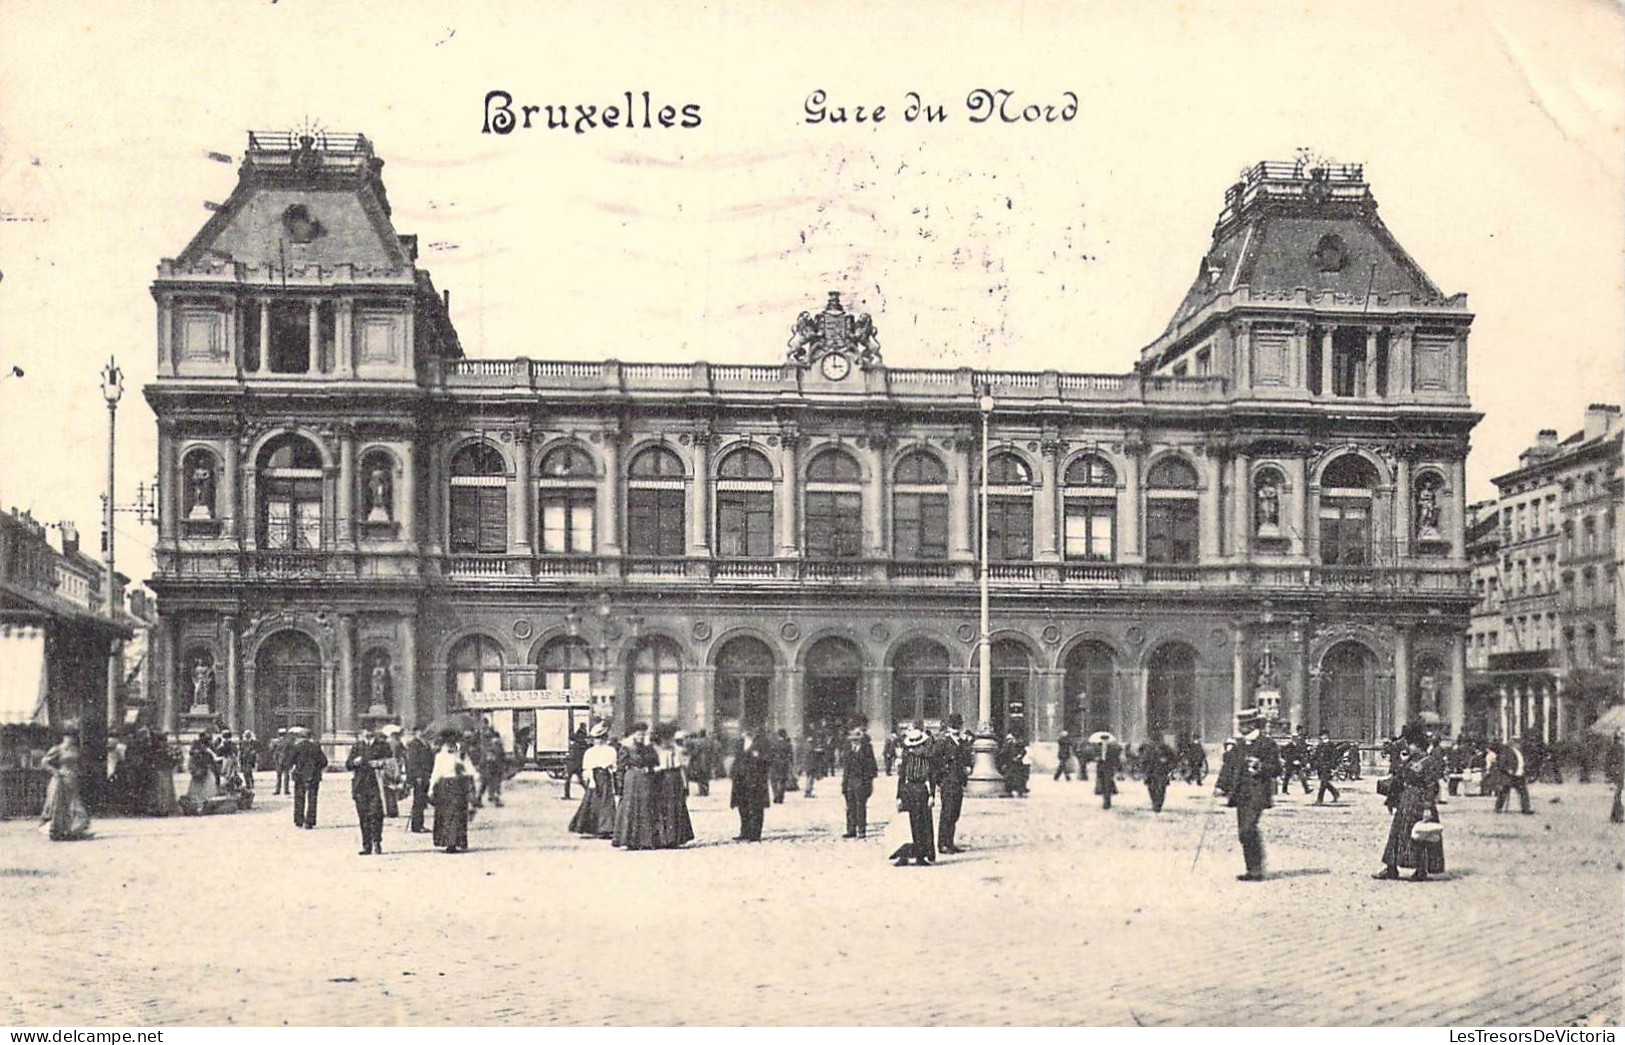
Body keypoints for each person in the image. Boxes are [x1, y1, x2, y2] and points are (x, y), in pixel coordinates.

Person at [1374, 722, 1447, 882]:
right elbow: (1399, 779)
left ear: (1417, 745)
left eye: (1410, 744)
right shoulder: (1410, 760)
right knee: (1398, 835)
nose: (1408, 746)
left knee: (1419, 837)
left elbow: (1431, 786)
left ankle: (1420, 870)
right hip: (1406, 800)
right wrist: (1391, 799)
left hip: (1419, 802)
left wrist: (1428, 807)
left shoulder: (1427, 762)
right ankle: (1392, 868)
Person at [1213, 708, 1281, 882]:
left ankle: (1257, 868)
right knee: (1243, 833)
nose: (1241, 727)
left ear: (1252, 724)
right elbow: (1228, 767)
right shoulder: (1238, 745)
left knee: (1248, 829)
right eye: (1240, 724)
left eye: (1243, 724)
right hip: (1240, 794)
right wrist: (1220, 786)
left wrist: (1261, 766)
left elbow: (1277, 769)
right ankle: (1252, 869)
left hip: (1257, 794)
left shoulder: (1267, 744)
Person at [891, 727, 935, 866]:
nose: (915, 749)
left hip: (922, 790)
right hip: (908, 790)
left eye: (917, 745)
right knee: (906, 824)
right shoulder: (906, 758)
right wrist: (898, 796)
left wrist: (932, 795)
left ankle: (921, 856)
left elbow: (932, 777)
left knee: (922, 824)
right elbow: (901, 777)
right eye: (913, 746)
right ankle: (904, 856)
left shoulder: (927, 759)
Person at [613, 722, 661, 850]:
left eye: (643, 734)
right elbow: (620, 768)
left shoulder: (648, 748)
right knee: (630, 807)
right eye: (638, 734)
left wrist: (649, 769)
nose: (640, 736)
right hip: (631, 779)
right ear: (633, 735)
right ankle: (628, 840)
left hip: (645, 780)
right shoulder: (626, 748)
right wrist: (619, 785)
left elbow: (656, 763)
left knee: (645, 806)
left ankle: (646, 841)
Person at [569, 722, 619, 838]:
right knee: (593, 801)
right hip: (594, 775)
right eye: (597, 738)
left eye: (602, 738)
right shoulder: (590, 752)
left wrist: (612, 775)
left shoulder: (610, 750)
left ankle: (606, 828)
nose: (599, 741)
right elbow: (587, 767)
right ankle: (594, 827)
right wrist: (590, 780)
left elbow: (613, 766)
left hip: (605, 776)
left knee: (607, 802)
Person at [346, 729, 391, 856]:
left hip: (376, 785)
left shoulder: (382, 745)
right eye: (364, 732)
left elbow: (392, 762)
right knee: (363, 817)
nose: (367, 734)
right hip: (360, 785)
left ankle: (377, 841)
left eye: (369, 731)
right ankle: (367, 845)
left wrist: (380, 763)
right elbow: (348, 765)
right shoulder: (357, 746)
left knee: (376, 815)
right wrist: (354, 762)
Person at [429, 732, 476, 854]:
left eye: (453, 743)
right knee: (446, 815)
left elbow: (471, 770)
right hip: (445, 786)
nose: (451, 746)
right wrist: (431, 788)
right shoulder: (440, 756)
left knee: (457, 814)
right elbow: (436, 773)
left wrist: (464, 770)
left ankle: (456, 841)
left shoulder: (461, 756)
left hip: (459, 785)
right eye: (448, 743)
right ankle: (449, 842)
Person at [40, 733, 92, 841]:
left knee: (74, 804)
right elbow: (44, 762)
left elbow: (80, 763)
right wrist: (55, 772)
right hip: (62, 779)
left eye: (72, 736)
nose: (70, 738)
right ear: (64, 737)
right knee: (61, 804)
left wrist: (80, 772)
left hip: (73, 778)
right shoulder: (57, 749)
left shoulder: (76, 749)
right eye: (68, 736)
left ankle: (73, 831)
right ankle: (58, 831)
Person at [935, 714, 971, 853]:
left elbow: (966, 760)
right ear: (949, 726)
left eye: (958, 725)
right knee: (947, 813)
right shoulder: (943, 742)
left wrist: (967, 768)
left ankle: (949, 842)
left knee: (955, 812)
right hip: (948, 782)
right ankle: (942, 844)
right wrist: (942, 777)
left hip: (958, 782)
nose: (956, 728)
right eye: (954, 725)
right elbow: (935, 761)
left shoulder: (961, 743)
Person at [730, 731, 773, 841]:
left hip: (756, 781)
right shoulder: (740, 743)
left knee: (756, 807)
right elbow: (737, 759)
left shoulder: (763, 742)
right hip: (740, 780)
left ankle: (755, 833)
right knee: (742, 807)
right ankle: (744, 831)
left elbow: (769, 759)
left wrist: (758, 757)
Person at [841, 726, 878, 838]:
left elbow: (872, 767)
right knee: (850, 806)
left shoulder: (867, 749)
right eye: (852, 740)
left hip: (862, 781)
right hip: (850, 781)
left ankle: (861, 830)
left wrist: (868, 782)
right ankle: (851, 829)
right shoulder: (848, 750)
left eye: (856, 739)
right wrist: (844, 784)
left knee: (860, 806)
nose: (854, 742)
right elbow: (846, 768)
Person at [289, 727, 328, 830]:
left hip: (299, 775)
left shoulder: (297, 747)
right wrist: (316, 768)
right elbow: (324, 762)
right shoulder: (316, 747)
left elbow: (290, 760)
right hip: (313, 776)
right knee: (312, 799)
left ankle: (299, 820)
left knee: (299, 798)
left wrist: (296, 766)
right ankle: (309, 822)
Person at [404, 727, 435, 834]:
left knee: (422, 801)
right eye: (421, 731)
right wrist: (417, 776)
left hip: (426, 775)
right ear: (416, 732)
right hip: (420, 776)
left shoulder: (425, 744)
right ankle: (416, 825)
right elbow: (412, 762)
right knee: (418, 801)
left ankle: (419, 824)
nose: (423, 733)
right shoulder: (414, 744)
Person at [1494, 737, 1533, 815]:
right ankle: (1498, 808)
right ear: (1514, 743)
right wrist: (1508, 769)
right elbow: (1501, 764)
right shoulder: (1507, 752)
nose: (1520, 744)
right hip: (1509, 776)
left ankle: (1526, 809)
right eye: (1518, 743)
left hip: (1519, 775)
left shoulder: (1519, 752)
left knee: (1523, 792)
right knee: (1503, 792)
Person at [1141, 734, 1176, 813]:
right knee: (1159, 789)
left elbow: (1144, 760)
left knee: (1155, 789)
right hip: (1159, 772)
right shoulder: (1163, 748)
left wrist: (1145, 770)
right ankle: (1157, 803)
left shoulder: (1151, 748)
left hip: (1155, 772)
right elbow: (1173, 759)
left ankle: (1156, 803)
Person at [185, 731, 219, 807]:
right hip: (201, 768)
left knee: (205, 785)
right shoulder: (198, 746)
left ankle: (204, 801)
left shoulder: (208, 747)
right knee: (199, 786)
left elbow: (212, 757)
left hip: (205, 769)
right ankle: (200, 801)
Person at [478, 725, 507, 808]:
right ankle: (495, 800)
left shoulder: (485, 747)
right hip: (494, 768)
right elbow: (501, 758)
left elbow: (483, 758)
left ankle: (479, 799)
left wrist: (481, 766)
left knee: (484, 784)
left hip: (487, 768)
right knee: (494, 784)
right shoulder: (497, 747)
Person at [381, 727, 406, 819]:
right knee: (393, 788)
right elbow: (403, 753)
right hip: (394, 764)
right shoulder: (398, 743)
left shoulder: (387, 742)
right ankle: (393, 810)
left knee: (388, 789)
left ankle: (390, 810)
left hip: (388, 764)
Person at [1311, 730, 1342, 805]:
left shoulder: (1331, 745)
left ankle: (1319, 800)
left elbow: (1334, 756)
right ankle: (1335, 793)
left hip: (1327, 766)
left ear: (1327, 736)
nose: (1322, 737)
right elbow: (1316, 756)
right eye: (1321, 735)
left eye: (1324, 735)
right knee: (1325, 782)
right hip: (1320, 767)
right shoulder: (1320, 745)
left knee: (1323, 783)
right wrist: (1314, 765)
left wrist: (1333, 766)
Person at [1096, 736, 1122, 810]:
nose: (1104, 741)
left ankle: (1107, 802)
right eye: (1103, 740)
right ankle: (1105, 800)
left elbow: (1116, 758)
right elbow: (1094, 755)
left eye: (1106, 740)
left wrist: (1118, 768)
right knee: (1103, 785)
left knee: (1107, 785)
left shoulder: (1112, 748)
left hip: (1109, 768)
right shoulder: (1098, 747)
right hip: (1100, 768)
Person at [768, 729, 793, 804]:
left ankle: (775, 795)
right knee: (782, 781)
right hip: (784, 764)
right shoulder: (788, 744)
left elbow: (770, 754)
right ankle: (780, 796)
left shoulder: (773, 743)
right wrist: (791, 764)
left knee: (774, 780)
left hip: (774, 764)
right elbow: (790, 755)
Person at [1605, 730, 1623, 825]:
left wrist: (1608, 774)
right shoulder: (1621, 748)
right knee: (1619, 793)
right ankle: (1618, 815)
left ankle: (1615, 814)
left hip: (1615, 772)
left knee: (1618, 793)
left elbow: (1607, 762)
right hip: (1620, 772)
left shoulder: (1612, 748)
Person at [566, 723, 590, 791]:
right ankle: (587, 791)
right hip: (577, 764)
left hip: (572, 764)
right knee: (580, 780)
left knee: (568, 779)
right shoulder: (581, 735)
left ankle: (567, 794)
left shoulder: (574, 746)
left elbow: (571, 756)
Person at [272, 728, 293, 795]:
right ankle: (286, 790)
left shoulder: (275, 741)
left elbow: (271, 749)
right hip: (286, 759)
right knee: (286, 775)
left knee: (278, 775)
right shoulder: (288, 741)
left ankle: (277, 790)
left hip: (278, 760)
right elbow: (291, 751)